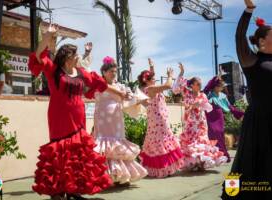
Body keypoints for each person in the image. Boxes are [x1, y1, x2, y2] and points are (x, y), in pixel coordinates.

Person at [28, 25, 113, 200]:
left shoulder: (81, 73)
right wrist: (47, 37)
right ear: (68, 58)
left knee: (76, 154)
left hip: (78, 117)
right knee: (60, 153)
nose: (78, 57)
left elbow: (98, 82)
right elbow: (38, 56)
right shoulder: (54, 71)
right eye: (75, 55)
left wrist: (98, 88)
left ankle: (73, 189)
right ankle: (58, 191)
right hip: (59, 117)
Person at [222, 0, 272, 199]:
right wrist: (248, 11)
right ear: (262, 41)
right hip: (259, 119)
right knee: (247, 160)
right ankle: (234, 193)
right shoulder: (251, 59)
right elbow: (239, 36)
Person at [93, 56, 148, 185]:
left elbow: (130, 99)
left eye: (115, 71)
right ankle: (105, 177)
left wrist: (139, 100)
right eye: (111, 71)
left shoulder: (120, 86)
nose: (113, 73)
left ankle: (120, 175)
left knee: (118, 143)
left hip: (116, 118)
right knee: (104, 144)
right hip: (102, 119)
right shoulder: (99, 84)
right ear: (104, 72)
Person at [172, 63, 227, 171]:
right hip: (190, 123)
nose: (200, 85)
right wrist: (182, 72)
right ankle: (193, 163)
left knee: (201, 143)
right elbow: (176, 88)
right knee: (191, 143)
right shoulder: (186, 93)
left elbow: (208, 108)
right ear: (192, 85)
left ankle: (202, 163)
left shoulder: (203, 95)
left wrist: (200, 105)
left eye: (200, 83)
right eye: (198, 84)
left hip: (201, 123)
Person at [139, 59, 184, 178]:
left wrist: (151, 67)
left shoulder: (149, 88)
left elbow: (152, 79)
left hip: (158, 120)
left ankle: (164, 169)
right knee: (160, 142)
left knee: (158, 142)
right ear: (147, 81)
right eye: (152, 78)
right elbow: (168, 85)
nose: (155, 79)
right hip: (158, 122)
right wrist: (170, 76)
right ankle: (161, 169)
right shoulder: (150, 89)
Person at [204, 75, 244, 162]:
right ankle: (214, 156)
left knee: (220, 135)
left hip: (219, 117)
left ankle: (223, 155)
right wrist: (215, 77)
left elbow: (230, 107)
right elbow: (206, 88)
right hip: (210, 117)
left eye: (223, 86)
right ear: (215, 86)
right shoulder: (209, 94)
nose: (222, 88)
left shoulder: (223, 96)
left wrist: (240, 113)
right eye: (221, 86)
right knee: (212, 134)